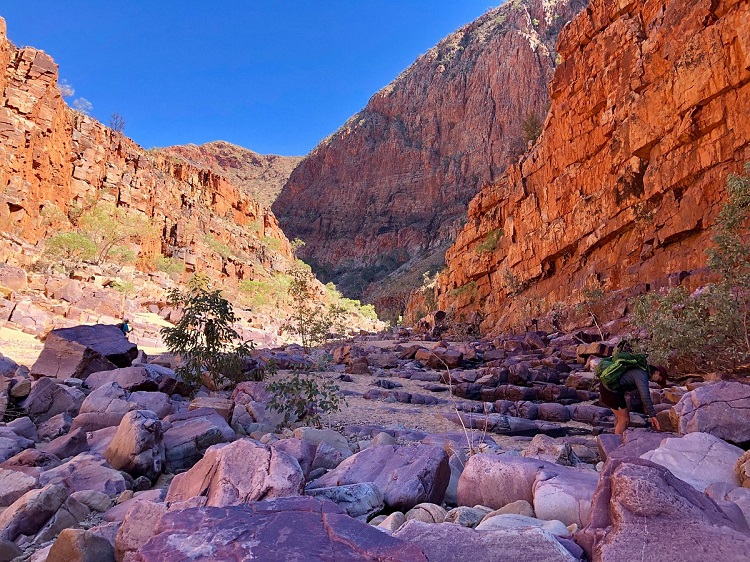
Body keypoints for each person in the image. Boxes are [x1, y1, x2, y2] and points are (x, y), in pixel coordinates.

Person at [595, 346, 666, 435]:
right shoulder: (642, 375)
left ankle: (615, 437)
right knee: (624, 420)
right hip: (610, 391)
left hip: (611, 388)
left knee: (620, 417)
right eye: (659, 380)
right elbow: (645, 395)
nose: (656, 382)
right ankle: (617, 445)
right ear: (657, 372)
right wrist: (652, 415)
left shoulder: (641, 370)